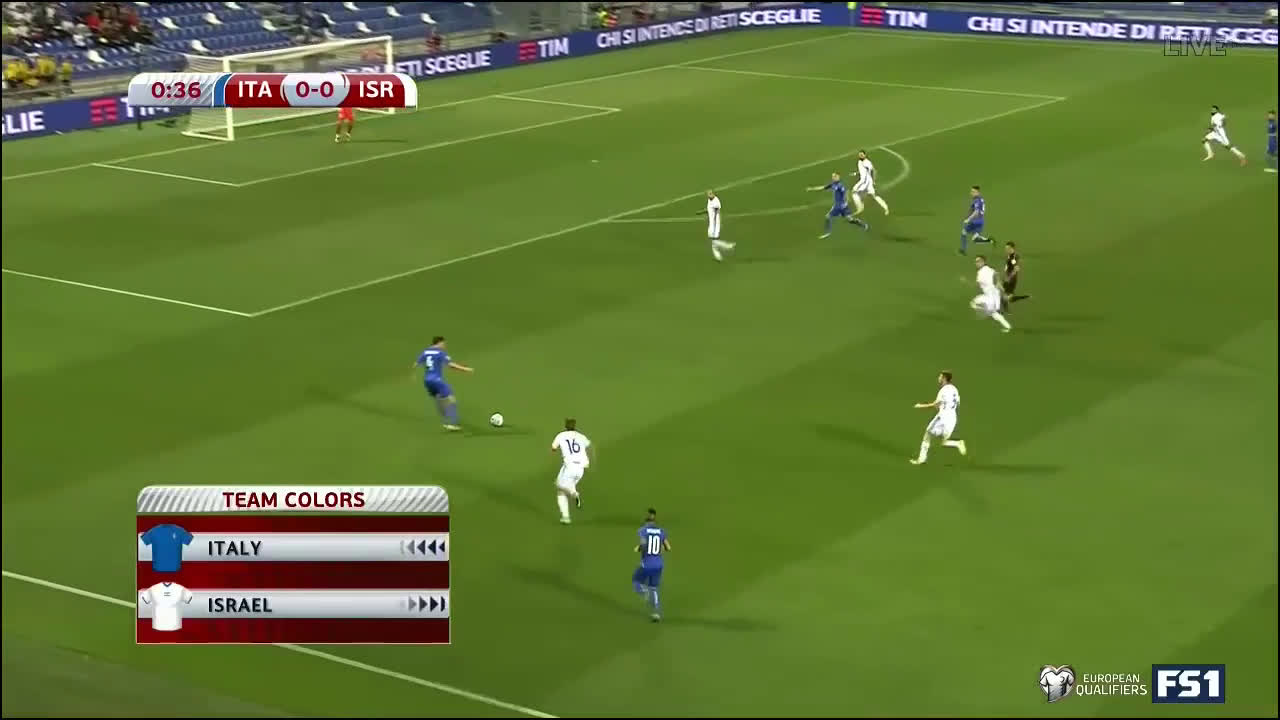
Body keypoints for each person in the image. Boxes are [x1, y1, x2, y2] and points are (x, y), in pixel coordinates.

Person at [412, 336, 474, 430]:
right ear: (439, 343)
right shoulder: (440, 353)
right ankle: (453, 423)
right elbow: (451, 365)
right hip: (437, 380)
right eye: (444, 344)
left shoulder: (425, 352)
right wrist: (466, 369)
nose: (444, 346)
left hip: (427, 381)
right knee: (451, 399)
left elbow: (415, 364)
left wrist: (413, 375)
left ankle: (445, 420)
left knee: (439, 399)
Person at [910, 371, 967, 465]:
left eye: (940, 377)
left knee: (928, 434)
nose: (938, 378)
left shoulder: (943, 390)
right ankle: (957, 443)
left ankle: (921, 459)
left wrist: (921, 406)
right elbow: (957, 403)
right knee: (944, 442)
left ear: (944, 378)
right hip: (952, 418)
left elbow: (935, 405)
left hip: (943, 418)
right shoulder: (954, 389)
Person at [550, 418, 593, 524]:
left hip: (569, 467)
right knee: (562, 491)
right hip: (581, 469)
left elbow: (553, 448)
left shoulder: (561, 435)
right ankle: (566, 517)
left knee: (560, 486)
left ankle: (574, 494)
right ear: (574, 426)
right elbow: (589, 446)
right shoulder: (581, 436)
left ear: (565, 426)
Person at [632, 508, 670, 621]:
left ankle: (645, 592)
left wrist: (638, 548)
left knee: (636, 581)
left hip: (647, 564)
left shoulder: (643, 530)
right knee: (654, 588)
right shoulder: (661, 531)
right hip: (659, 564)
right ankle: (656, 613)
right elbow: (668, 547)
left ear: (646, 523)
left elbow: (643, 545)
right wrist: (658, 551)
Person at [807, 172, 869, 239]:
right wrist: (812, 188)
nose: (833, 178)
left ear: (838, 177)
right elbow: (823, 187)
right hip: (840, 205)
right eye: (833, 176)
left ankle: (827, 233)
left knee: (828, 217)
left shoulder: (840, 185)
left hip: (840, 206)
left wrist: (846, 202)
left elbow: (845, 193)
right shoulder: (832, 184)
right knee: (850, 219)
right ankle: (864, 225)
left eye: (835, 176)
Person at [970, 255, 1012, 333]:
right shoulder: (989, 269)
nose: (976, 263)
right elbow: (996, 275)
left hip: (991, 296)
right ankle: (1007, 326)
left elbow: (977, 285)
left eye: (978, 261)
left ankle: (987, 312)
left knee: (974, 303)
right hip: (994, 294)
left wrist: (967, 283)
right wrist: (1000, 285)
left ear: (983, 262)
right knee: (992, 313)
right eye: (976, 262)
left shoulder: (981, 272)